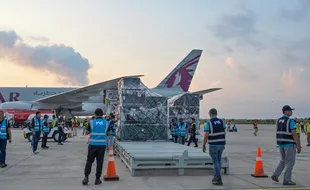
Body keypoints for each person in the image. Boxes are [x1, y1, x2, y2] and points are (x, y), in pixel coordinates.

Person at [271, 105, 301, 186]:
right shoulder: (290, 121)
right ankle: (287, 180)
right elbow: (294, 134)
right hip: (289, 144)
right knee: (290, 162)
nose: (291, 112)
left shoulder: (278, 121)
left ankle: (276, 174)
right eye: (290, 110)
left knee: (283, 160)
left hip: (281, 144)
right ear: (285, 111)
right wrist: (298, 145)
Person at [82, 108, 110, 186]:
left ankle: (86, 177)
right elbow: (108, 133)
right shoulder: (106, 123)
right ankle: (97, 179)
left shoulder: (91, 122)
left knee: (89, 161)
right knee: (99, 162)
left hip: (92, 145)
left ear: (95, 114)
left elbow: (87, 133)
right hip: (102, 145)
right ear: (102, 114)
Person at [203, 108, 226, 186]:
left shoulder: (209, 122)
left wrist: (203, 144)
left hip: (213, 145)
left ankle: (218, 178)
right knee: (219, 161)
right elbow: (224, 131)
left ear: (210, 114)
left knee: (215, 162)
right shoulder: (222, 121)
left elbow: (206, 135)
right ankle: (216, 176)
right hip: (221, 144)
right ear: (216, 114)